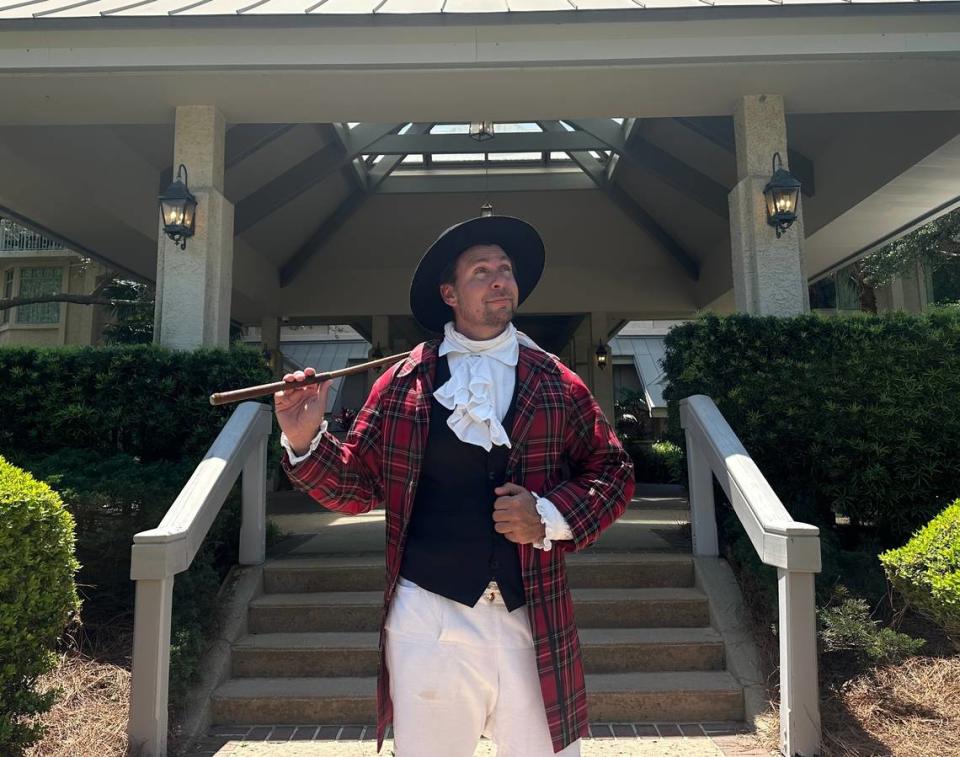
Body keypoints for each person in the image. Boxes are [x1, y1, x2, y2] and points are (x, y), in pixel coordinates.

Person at [273, 211, 635, 756]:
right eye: (481, 271)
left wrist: (549, 515)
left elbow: (613, 470)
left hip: (532, 613)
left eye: (506, 269)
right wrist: (306, 441)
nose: (499, 280)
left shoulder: (557, 380)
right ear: (449, 292)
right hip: (428, 617)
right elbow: (358, 486)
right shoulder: (403, 383)